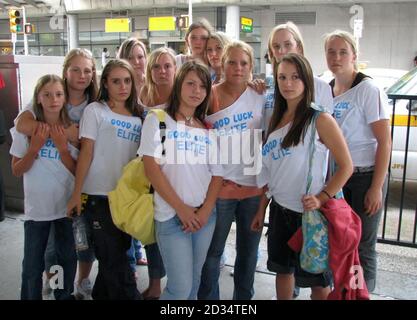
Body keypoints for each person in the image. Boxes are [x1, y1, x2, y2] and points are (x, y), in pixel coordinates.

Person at [251, 53, 353, 300]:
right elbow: (269, 174)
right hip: (280, 212)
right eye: (282, 77)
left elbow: (346, 166)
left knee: (317, 281)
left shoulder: (320, 119)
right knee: (283, 271)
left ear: (307, 80)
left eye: (295, 77)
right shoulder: (275, 118)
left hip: (310, 216)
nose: (288, 83)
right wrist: (260, 211)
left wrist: (322, 197)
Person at [15, 48, 99, 300]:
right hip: (40, 205)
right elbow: (22, 124)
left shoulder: (94, 104)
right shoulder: (49, 93)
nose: (81, 75)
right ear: (65, 72)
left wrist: (65, 145)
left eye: (87, 70)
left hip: (77, 189)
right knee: (45, 253)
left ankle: (72, 284)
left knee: (75, 246)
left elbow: (80, 151)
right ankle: (52, 282)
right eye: (75, 69)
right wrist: (61, 133)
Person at [139, 60, 223, 300]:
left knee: (194, 285)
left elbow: (217, 174)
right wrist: (182, 210)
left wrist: (205, 210)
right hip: (171, 217)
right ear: (178, 86)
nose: (197, 91)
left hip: (204, 219)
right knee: (180, 289)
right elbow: (151, 168)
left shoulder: (207, 128)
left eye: (202, 86)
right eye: (190, 84)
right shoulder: (159, 119)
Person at [67, 59, 143, 300]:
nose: (123, 86)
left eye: (127, 81)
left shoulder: (139, 115)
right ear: (106, 84)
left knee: (117, 255)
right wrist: (76, 193)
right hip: (98, 198)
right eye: (116, 81)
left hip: (125, 199)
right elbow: (86, 152)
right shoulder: (96, 111)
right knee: (115, 260)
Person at [198, 40, 266, 300]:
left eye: (244, 63)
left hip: (253, 187)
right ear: (222, 63)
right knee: (212, 253)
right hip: (221, 188)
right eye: (232, 62)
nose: (238, 68)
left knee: (248, 253)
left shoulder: (259, 94)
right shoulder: (209, 95)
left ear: (251, 66)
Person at [324, 30, 391, 293]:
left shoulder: (368, 89)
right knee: (339, 239)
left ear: (354, 56)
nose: (336, 57)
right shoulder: (326, 90)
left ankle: (362, 294)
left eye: (342, 52)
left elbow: (384, 142)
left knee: (362, 244)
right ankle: (341, 292)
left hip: (365, 176)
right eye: (331, 51)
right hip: (337, 177)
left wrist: (376, 187)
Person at [10, 74, 78, 300]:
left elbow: (77, 171)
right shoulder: (26, 131)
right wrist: (33, 149)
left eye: (58, 94)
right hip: (36, 211)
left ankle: (62, 295)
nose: (53, 100)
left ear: (65, 98)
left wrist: (63, 149)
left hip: (63, 210)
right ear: (38, 98)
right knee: (32, 264)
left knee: (63, 260)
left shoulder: (71, 130)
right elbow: (17, 170)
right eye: (47, 95)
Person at [138, 47, 178, 300]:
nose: (162, 71)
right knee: (150, 231)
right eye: (156, 66)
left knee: (173, 230)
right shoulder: (141, 95)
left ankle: (176, 282)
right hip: (144, 171)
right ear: (150, 71)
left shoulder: (182, 95)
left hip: (174, 170)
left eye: (167, 66)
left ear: (176, 68)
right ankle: (155, 282)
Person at [266, 21, 333, 125]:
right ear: (271, 52)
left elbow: (329, 133)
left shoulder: (321, 87)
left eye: (288, 44)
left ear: (299, 47)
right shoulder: (265, 86)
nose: (282, 51)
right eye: (276, 46)